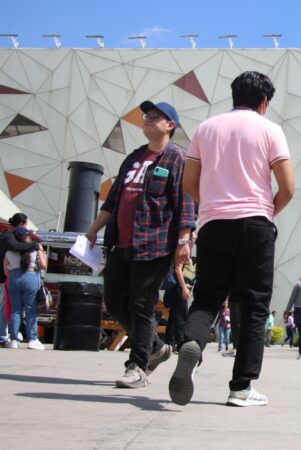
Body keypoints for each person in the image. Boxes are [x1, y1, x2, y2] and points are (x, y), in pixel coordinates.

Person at [170, 71, 295, 407]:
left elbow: (188, 185)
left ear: (233, 95)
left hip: (214, 224)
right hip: (256, 223)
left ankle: (191, 345)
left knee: (207, 297)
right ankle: (240, 387)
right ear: (264, 101)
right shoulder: (270, 130)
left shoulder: (206, 128)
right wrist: (267, 211)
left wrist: (211, 206)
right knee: (254, 306)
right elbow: (288, 187)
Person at [86, 100, 196, 389]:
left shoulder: (177, 159)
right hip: (121, 244)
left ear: (170, 125)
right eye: (146, 115)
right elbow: (114, 200)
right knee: (114, 301)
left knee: (141, 304)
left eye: (155, 116)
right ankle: (156, 347)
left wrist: (184, 241)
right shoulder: (134, 157)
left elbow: (186, 205)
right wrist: (94, 229)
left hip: (155, 244)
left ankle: (137, 367)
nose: (147, 119)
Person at [4, 227, 47, 350]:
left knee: (15, 310)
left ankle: (13, 339)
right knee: (30, 309)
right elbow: (44, 265)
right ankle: (32, 339)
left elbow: (6, 270)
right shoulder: (36, 248)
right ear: (27, 237)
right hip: (31, 276)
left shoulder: (9, 252)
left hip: (14, 277)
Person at [0, 213, 38, 348]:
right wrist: (34, 245)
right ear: (21, 224)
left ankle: (12, 338)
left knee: (13, 309)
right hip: (10, 278)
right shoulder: (9, 237)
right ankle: (5, 336)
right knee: (24, 308)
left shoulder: (7, 237)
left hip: (10, 278)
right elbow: (16, 247)